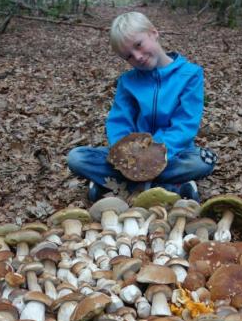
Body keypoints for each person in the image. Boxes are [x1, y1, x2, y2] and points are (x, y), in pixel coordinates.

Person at [67, 11, 217, 202]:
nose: (137, 57)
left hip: (173, 153)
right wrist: (127, 156)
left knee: (204, 161)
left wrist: (155, 155)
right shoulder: (127, 81)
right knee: (76, 158)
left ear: (153, 33)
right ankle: (171, 186)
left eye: (139, 45)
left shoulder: (191, 74)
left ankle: (116, 185)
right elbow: (119, 122)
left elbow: (185, 124)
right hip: (132, 157)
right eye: (128, 56)